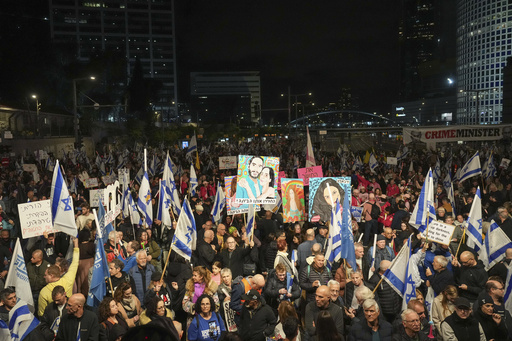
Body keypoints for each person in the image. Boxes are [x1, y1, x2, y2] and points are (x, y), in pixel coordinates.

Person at [38, 237, 79, 317]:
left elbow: (41, 315)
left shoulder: (44, 292)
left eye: (46, 275)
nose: (44, 277)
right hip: (70, 316)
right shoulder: (68, 279)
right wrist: (76, 246)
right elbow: (75, 262)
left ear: (51, 276)